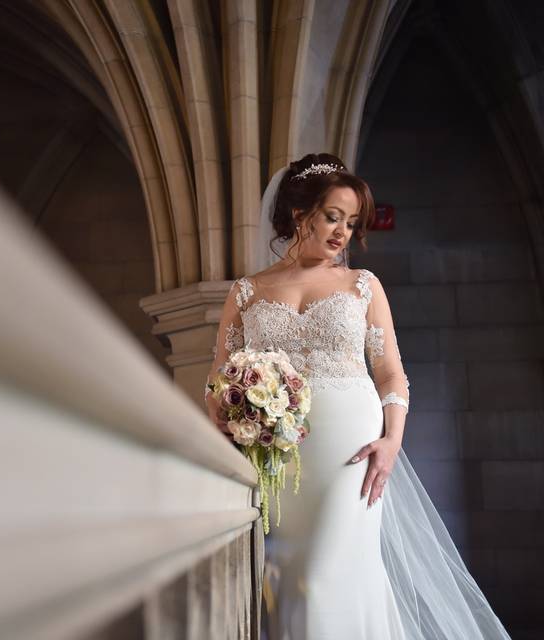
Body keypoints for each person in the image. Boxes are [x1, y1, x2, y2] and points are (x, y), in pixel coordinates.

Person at [204, 153, 511, 639]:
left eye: (350, 223)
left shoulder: (363, 285)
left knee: (327, 575)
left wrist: (391, 442)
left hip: (352, 448)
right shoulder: (247, 291)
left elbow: (391, 375)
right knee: (284, 575)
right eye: (333, 217)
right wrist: (230, 421)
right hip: (276, 453)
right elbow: (220, 377)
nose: (343, 232)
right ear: (300, 213)